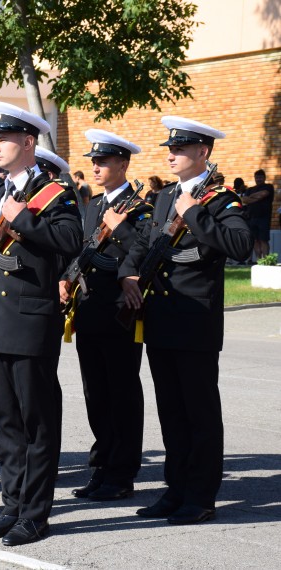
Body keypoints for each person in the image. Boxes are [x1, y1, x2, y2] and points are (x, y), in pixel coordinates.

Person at [120, 116, 252, 525]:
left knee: (199, 413)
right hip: (160, 319)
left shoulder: (221, 199)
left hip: (195, 324)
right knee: (171, 412)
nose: (172, 155)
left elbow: (240, 246)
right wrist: (127, 273)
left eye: (180, 149)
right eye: (170, 149)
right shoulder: (162, 199)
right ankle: (175, 489)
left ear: (203, 153)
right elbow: (142, 244)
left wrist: (194, 213)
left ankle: (200, 495)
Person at [0, 101, 82, 546]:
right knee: (6, 421)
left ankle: (34, 515)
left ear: (28, 142)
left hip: (32, 321)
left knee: (37, 422)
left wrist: (25, 219)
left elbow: (71, 241)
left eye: (2, 139)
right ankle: (11, 506)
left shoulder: (56, 192)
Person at [60, 129, 151, 503]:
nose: (95, 167)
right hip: (90, 310)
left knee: (122, 392)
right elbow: (80, 249)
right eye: (93, 161)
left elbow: (146, 250)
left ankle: (122, 471)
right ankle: (103, 464)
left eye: (103, 161)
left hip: (120, 313)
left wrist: (122, 228)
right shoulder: (94, 206)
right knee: (95, 392)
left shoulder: (141, 208)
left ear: (123, 164)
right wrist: (66, 278)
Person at [241, 169, 274, 261]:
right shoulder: (250, 189)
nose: (258, 179)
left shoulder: (268, 187)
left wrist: (251, 197)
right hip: (252, 218)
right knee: (255, 240)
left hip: (264, 218)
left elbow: (264, 194)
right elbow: (244, 200)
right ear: (255, 178)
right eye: (257, 177)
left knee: (263, 240)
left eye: (260, 177)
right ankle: (259, 260)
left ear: (264, 178)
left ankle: (266, 260)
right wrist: (257, 198)